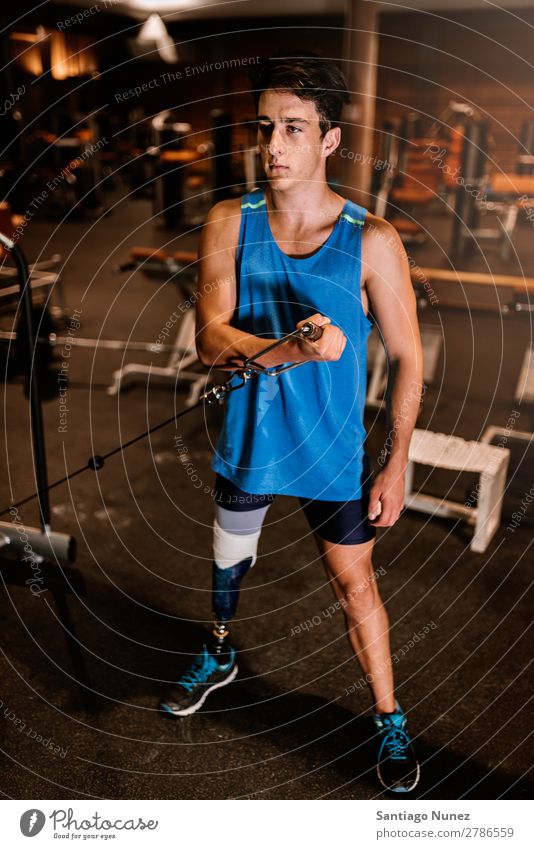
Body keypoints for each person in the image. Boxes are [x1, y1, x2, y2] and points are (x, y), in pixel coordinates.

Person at [160, 54, 424, 795]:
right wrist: (293, 348)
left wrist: (398, 459)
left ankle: (388, 716)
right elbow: (210, 341)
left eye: (295, 129)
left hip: (334, 451)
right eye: (266, 127)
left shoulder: (372, 240)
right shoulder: (227, 222)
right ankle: (220, 651)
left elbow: (408, 357)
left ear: (329, 140)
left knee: (355, 585)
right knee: (227, 565)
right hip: (250, 440)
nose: (273, 144)